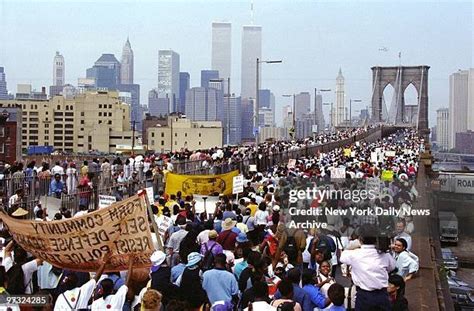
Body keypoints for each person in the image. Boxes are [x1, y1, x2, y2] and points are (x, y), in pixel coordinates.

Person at [339, 225, 396, 311]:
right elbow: (392, 267)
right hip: (382, 295)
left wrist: (355, 244)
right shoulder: (385, 255)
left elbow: (342, 256)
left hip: (363, 297)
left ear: (360, 238)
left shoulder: (354, 254)